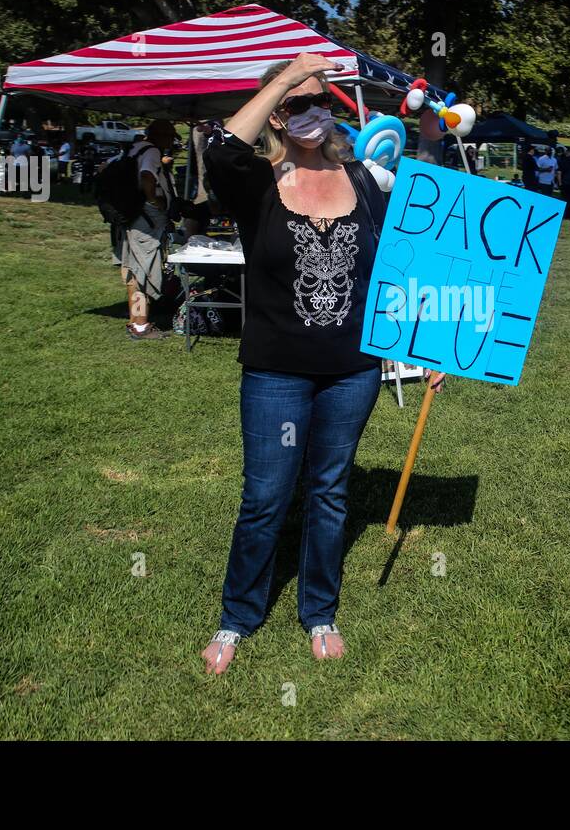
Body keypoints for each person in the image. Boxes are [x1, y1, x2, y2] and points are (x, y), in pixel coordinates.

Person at [199, 53, 446, 675]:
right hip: (275, 374)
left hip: (352, 371)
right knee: (265, 497)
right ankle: (237, 617)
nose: (308, 113)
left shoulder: (365, 180)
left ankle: (320, 612)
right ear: (277, 116)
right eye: (293, 105)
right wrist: (284, 78)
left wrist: (435, 340)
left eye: (318, 101)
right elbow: (223, 149)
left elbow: (426, 236)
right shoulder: (257, 185)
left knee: (330, 493)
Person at [120, 119, 177, 340]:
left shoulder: (133, 149)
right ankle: (141, 326)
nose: (171, 141)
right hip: (146, 220)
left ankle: (135, 320)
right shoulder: (152, 152)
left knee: (133, 269)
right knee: (143, 269)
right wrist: (154, 201)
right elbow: (146, 176)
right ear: (161, 136)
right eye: (170, 136)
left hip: (131, 217)